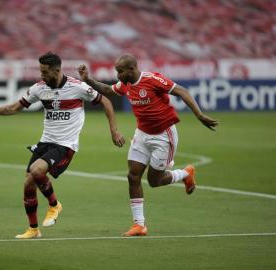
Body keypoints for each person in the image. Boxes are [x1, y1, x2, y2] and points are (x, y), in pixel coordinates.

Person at [0, 52, 125, 239]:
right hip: (45, 142)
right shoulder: (39, 88)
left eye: (45, 72)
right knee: (28, 183)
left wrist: (114, 131)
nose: (42, 76)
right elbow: (14, 108)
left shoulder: (77, 87)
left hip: (65, 144)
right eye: (41, 72)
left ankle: (55, 205)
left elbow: (106, 101)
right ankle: (33, 229)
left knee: (36, 170)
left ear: (57, 70)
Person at [78, 54, 218, 237]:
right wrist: (88, 79)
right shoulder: (126, 84)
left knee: (154, 181)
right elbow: (109, 90)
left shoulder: (152, 80)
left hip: (163, 137)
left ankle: (185, 174)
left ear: (131, 69)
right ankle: (139, 225)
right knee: (133, 176)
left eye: (120, 71)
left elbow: (182, 91)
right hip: (142, 135)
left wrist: (200, 115)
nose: (118, 75)